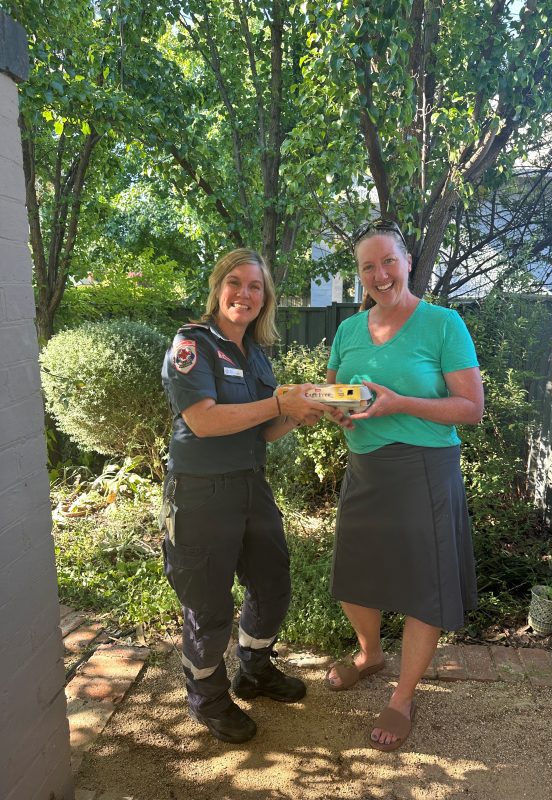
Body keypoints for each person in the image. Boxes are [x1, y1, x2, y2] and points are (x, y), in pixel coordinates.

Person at [161, 247, 338, 745]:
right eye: (235, 282)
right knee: (207, 604)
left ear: (266, 299)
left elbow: (263, 431)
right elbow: (203, 419)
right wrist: (277, 403)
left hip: (249, 486)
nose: (245, 293)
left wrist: (299, 412)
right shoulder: (192, 344)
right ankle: (208, 699)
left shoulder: (254, 353)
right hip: (199, 493)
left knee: (272, 580)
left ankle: (254, 670)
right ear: (218, 288)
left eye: (255, 287)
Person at [324, 219, 484, 752]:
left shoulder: (443, 324)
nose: (379, 274)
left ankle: (404, 695)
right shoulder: (349, 329)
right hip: (365, 467)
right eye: (368, 266)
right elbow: (336, 392)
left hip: (425, 469)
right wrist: (339, 412)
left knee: (423, 585)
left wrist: (399, 403)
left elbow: (471, 408)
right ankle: (370, 655)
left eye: (388, 261)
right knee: (354, 575)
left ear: (407, 262)